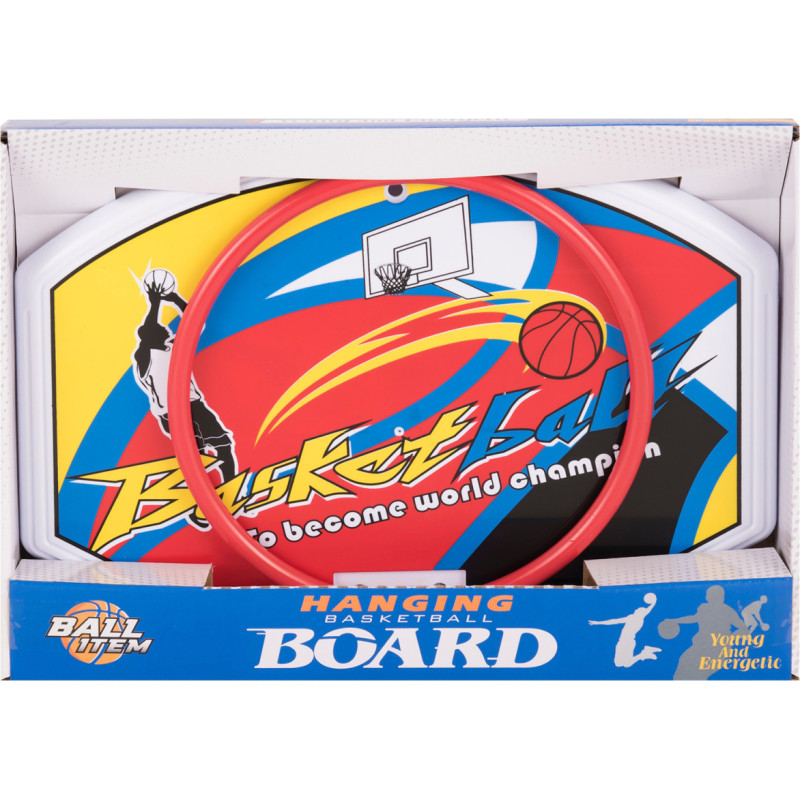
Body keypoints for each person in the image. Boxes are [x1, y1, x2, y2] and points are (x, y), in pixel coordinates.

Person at [133, 271, 238, 527]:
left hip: (195, 404)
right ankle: (198, 505)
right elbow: (149, 329)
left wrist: (175, 299)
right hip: (173, 412)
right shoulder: (144, 355)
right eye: (160, 328)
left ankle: (233, 493)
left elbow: (195, 323)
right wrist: (154, 303)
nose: (166, 329)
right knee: (197, 457)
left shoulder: (176, 347)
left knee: (224, 445)